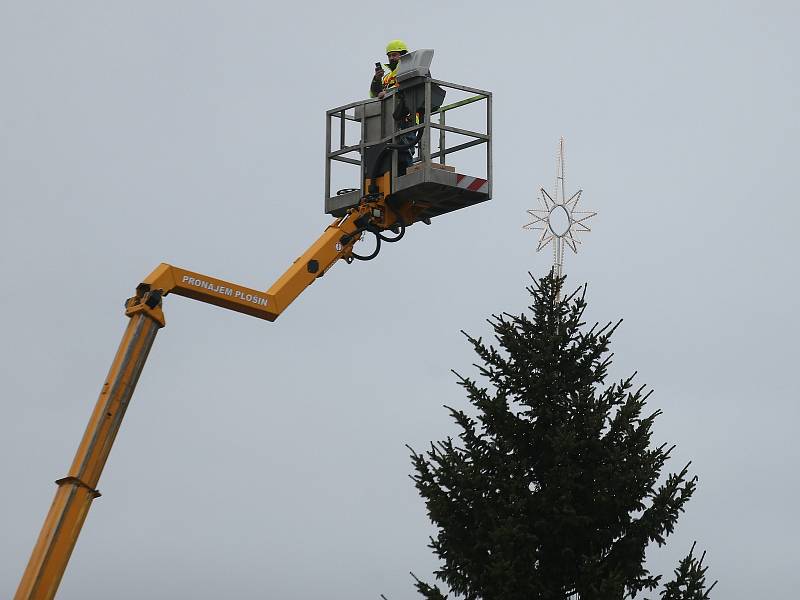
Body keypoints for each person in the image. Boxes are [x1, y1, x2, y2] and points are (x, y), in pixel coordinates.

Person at [369, 39, 415, 174]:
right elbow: (374, 95)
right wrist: (377, 79)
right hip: (390, 118)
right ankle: (398, 174)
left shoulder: (409, 69)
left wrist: (386, 92)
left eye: (394, 55)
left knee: (404, 146)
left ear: (403, 54)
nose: (391, 58)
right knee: (391, 150)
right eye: (389, 55)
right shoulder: (387, 77)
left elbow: (405, 88)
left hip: (408, 117)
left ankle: (407, 173)